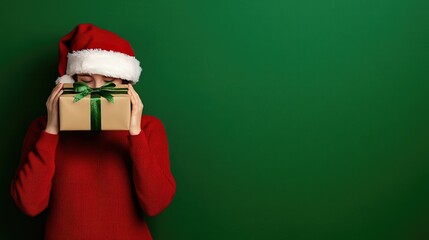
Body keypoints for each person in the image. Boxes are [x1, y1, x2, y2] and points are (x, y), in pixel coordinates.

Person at [10, 23, 176, 240]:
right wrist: (51, 130)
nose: (96, 91)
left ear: (126, 84)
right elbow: (29, 204)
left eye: (108, 82)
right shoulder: (42, 129)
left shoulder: (148, 128)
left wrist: (135, 134)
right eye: (86, 81)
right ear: (69, 82)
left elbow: (155, 205)